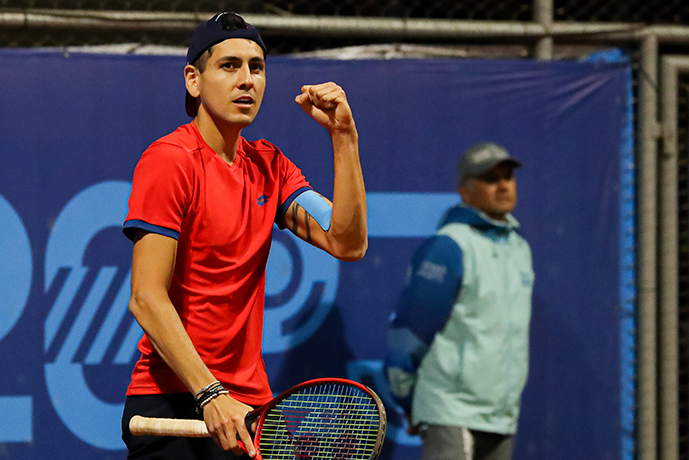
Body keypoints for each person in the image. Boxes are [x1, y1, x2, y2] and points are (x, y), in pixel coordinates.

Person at [119, 11, 367, 460]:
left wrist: (343, 136)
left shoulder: (270, 166)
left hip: (249, 408)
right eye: (229, 66)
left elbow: (347, 243)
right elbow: (146, 297)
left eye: (257, 67)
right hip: (176, 400)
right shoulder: (171, 161)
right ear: (194, 80)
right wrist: (209, 392)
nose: (247, 80)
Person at [384, 142, 534, 460]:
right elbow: (408, 333)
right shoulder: (449, 246)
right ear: (465, 192)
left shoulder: (520, 249)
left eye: (508, 177)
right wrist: (410, 400)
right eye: (491, 178)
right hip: (450, 410)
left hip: (502, 415)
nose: (504, 185)